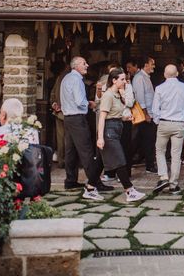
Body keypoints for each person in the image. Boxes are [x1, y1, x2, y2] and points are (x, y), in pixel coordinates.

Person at [60, 56, 110, 200]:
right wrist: (89, 103)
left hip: (68, 118)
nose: (87, 65)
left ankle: (70, 181)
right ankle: (95, 182)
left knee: (71, 151)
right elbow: (79, 101)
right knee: (87, 151)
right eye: (84, 63)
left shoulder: (66, 78)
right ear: (75, 66)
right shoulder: (76, 80)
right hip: (77, 118)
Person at [97, 68, 145, 203]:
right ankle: (129, 191)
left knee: (99, 163)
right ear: (114, 80)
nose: (125, 82)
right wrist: (100, 138)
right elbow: (102, 117)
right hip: (109, 131)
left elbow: (115, 114)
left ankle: (89, 188)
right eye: (122, 79)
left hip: (117, 127)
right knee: (120, 160)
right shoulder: (108, 96)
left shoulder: (118, 95)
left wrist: (124, 118)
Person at [152, 64, 184, 194]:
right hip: (179, 123)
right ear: (177, 74)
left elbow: (155, 109)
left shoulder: (159, 88)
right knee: (176, 155)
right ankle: (173, 184)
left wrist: (158, 121)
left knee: (160, 151)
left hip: (164, 123)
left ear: (164, 74)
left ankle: (163, 177)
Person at [132, 56, 157, 173]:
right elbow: (140, 98)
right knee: (146, 140)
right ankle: (148, 165)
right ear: (146, 65)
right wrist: (146, 114)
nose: (154, 66)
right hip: (144, 115)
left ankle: (147, 163)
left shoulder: (146, 77)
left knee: (147, 140)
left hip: (150, 114)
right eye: (152, 64)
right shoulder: (139, 78)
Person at [50, 63, 69, 168]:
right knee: (68, 139)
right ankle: (67, 161)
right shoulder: (73, 79)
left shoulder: (59, 78)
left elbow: (52, 94)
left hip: (59, 113)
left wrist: (54, 104)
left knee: (61, 138)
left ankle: (62, 161)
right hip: (68, 113)